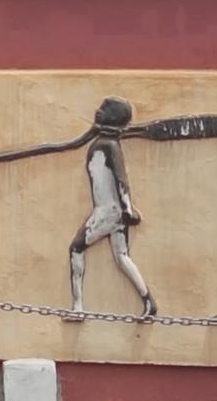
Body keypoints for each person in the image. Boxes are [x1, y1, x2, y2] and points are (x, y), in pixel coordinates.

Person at [66, 96, 156, 321]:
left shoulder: (108, 145)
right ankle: (149, 303)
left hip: (108, 211)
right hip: (114, 212)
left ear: (112, 117)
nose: (98, 111)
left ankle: (78, 307)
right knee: (122, 258)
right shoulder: (104, 142)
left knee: (76, 248)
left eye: (104, 109)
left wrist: (127, 208)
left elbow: (121, 180)